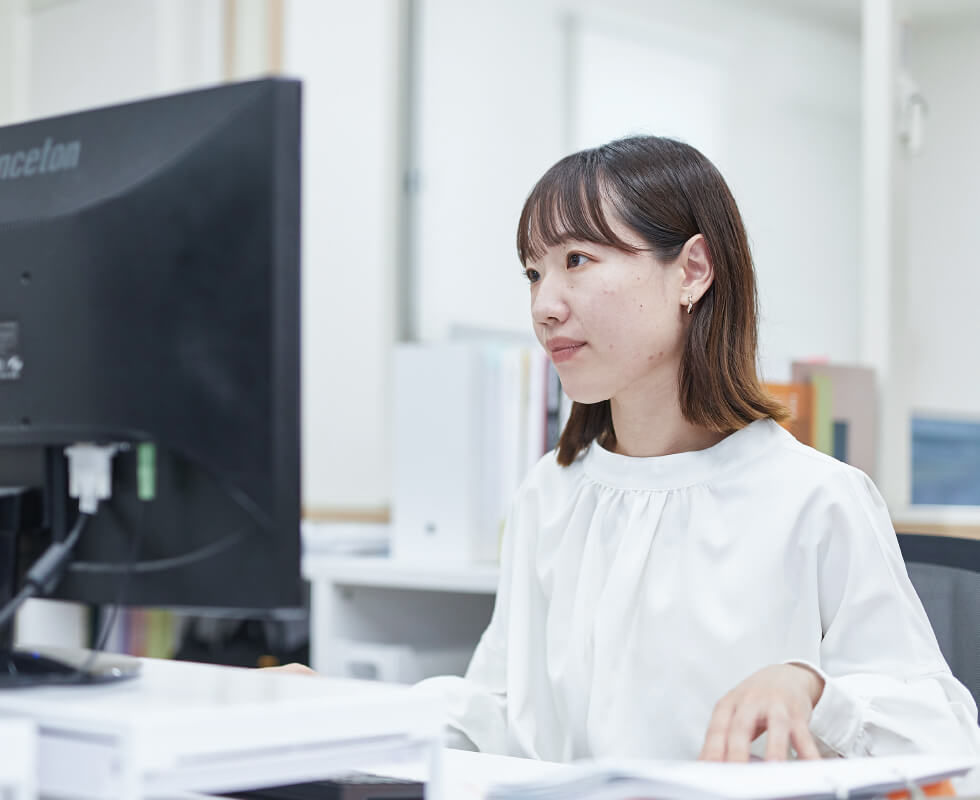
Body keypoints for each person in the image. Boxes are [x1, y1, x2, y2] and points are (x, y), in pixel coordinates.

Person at [412, 135, 980, 762]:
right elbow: (502, 711)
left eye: (576, 259)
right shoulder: (550, 493)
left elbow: (939, 734)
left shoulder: (816, 498)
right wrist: (341, 709)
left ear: (692, 270)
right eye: (533, 272)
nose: (544, 306)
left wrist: (815, 691)